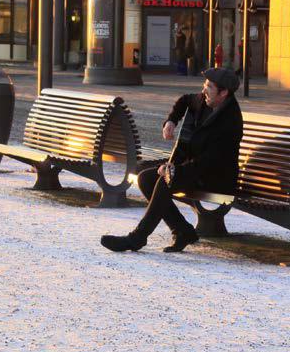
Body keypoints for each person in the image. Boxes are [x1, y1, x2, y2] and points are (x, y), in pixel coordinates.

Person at [101, 67, 244, 253]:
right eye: (204, 84)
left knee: (166, 180)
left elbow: (210, 161)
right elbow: (185, 100)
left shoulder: (230, 121)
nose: (204, 90)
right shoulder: (205, 101)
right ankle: (182, 231)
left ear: (223, 92)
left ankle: (137, 238)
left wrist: (174, 170)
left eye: (209, 86)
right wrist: (171, 121)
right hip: (195, 169)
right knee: (146, 178)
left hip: (216, 177)